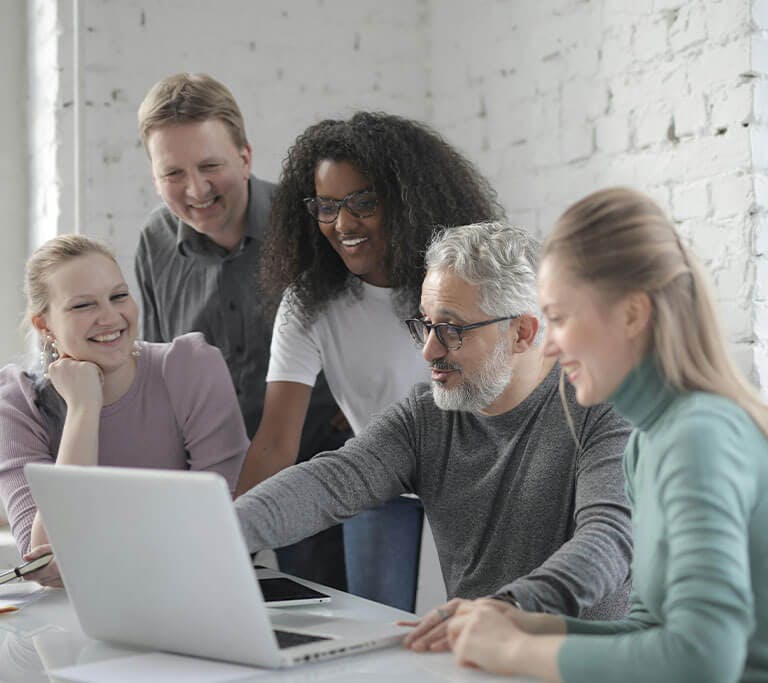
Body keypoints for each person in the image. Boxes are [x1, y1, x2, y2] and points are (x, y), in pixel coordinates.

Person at [441, 188, 768, 683]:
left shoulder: (701, 434)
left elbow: (704, 659)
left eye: (559, 318)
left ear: (633, 314)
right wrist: (531, 626)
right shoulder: (646, 443)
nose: (548, 345)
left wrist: (513, 652)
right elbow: (650, 628)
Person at [234, 221, 633, 619]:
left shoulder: (605, 410)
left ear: (521, 333)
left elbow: (608, 540)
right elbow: (330, 482)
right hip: (479, 657)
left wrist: (508, 608)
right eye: (426, 324)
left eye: (451, 329)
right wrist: (217, 529)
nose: (428, 350)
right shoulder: (426, 417)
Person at [235, 112, 506, 612]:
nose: (343, 223)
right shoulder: (309, 303)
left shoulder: (459, 282)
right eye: (327, 205)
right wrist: (224, 545)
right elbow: (275, 442)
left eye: (363, 202)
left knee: (473, 633)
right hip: (378, 488)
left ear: (406, 201)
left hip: (476, 485)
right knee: (383, 632)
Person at [133, 73, 347, 589]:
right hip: (207, 487)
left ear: (246, 157)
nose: (196, 189)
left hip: (318, 478)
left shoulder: (312, 226)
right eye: (173, 174)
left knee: (333, 629)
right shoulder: (153, 245)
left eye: (210, 166)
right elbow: (161, 375)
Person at [0, 235, 248, 586]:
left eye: (119, 296)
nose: (110, 316)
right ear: (44, 325)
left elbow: (219, 526)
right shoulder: (16, 401)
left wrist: (91, 552)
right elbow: (45, 560)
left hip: (190, 590)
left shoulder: (191, 368)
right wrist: (83, 409)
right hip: (70, 614)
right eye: (83, 306)